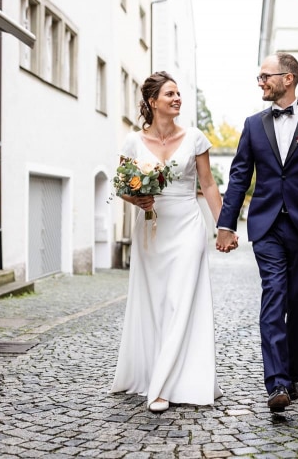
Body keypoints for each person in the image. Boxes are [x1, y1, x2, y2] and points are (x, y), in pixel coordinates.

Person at [216, 52, 298, 413]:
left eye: (265, 76)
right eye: (259, 77)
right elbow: (240, 176)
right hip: (267, 225)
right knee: (274, 296)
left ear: (288, 78)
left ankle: (293, 370)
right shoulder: (253, 125)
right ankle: (277, 384)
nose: (260, 82)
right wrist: (226, 223)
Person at [111, 71, 226, 412]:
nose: (177, 99)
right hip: (151, 229)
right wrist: (138, 200)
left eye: (179, 94)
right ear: (152, 102)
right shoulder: (133, 142)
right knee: (156, 302)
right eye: (170, 94)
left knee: (181, 300)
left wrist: (224, 226)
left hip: (188, 226)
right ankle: (153, 372)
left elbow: (208, 185)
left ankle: (162, 386)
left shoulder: (195, 137)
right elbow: (122, 187)